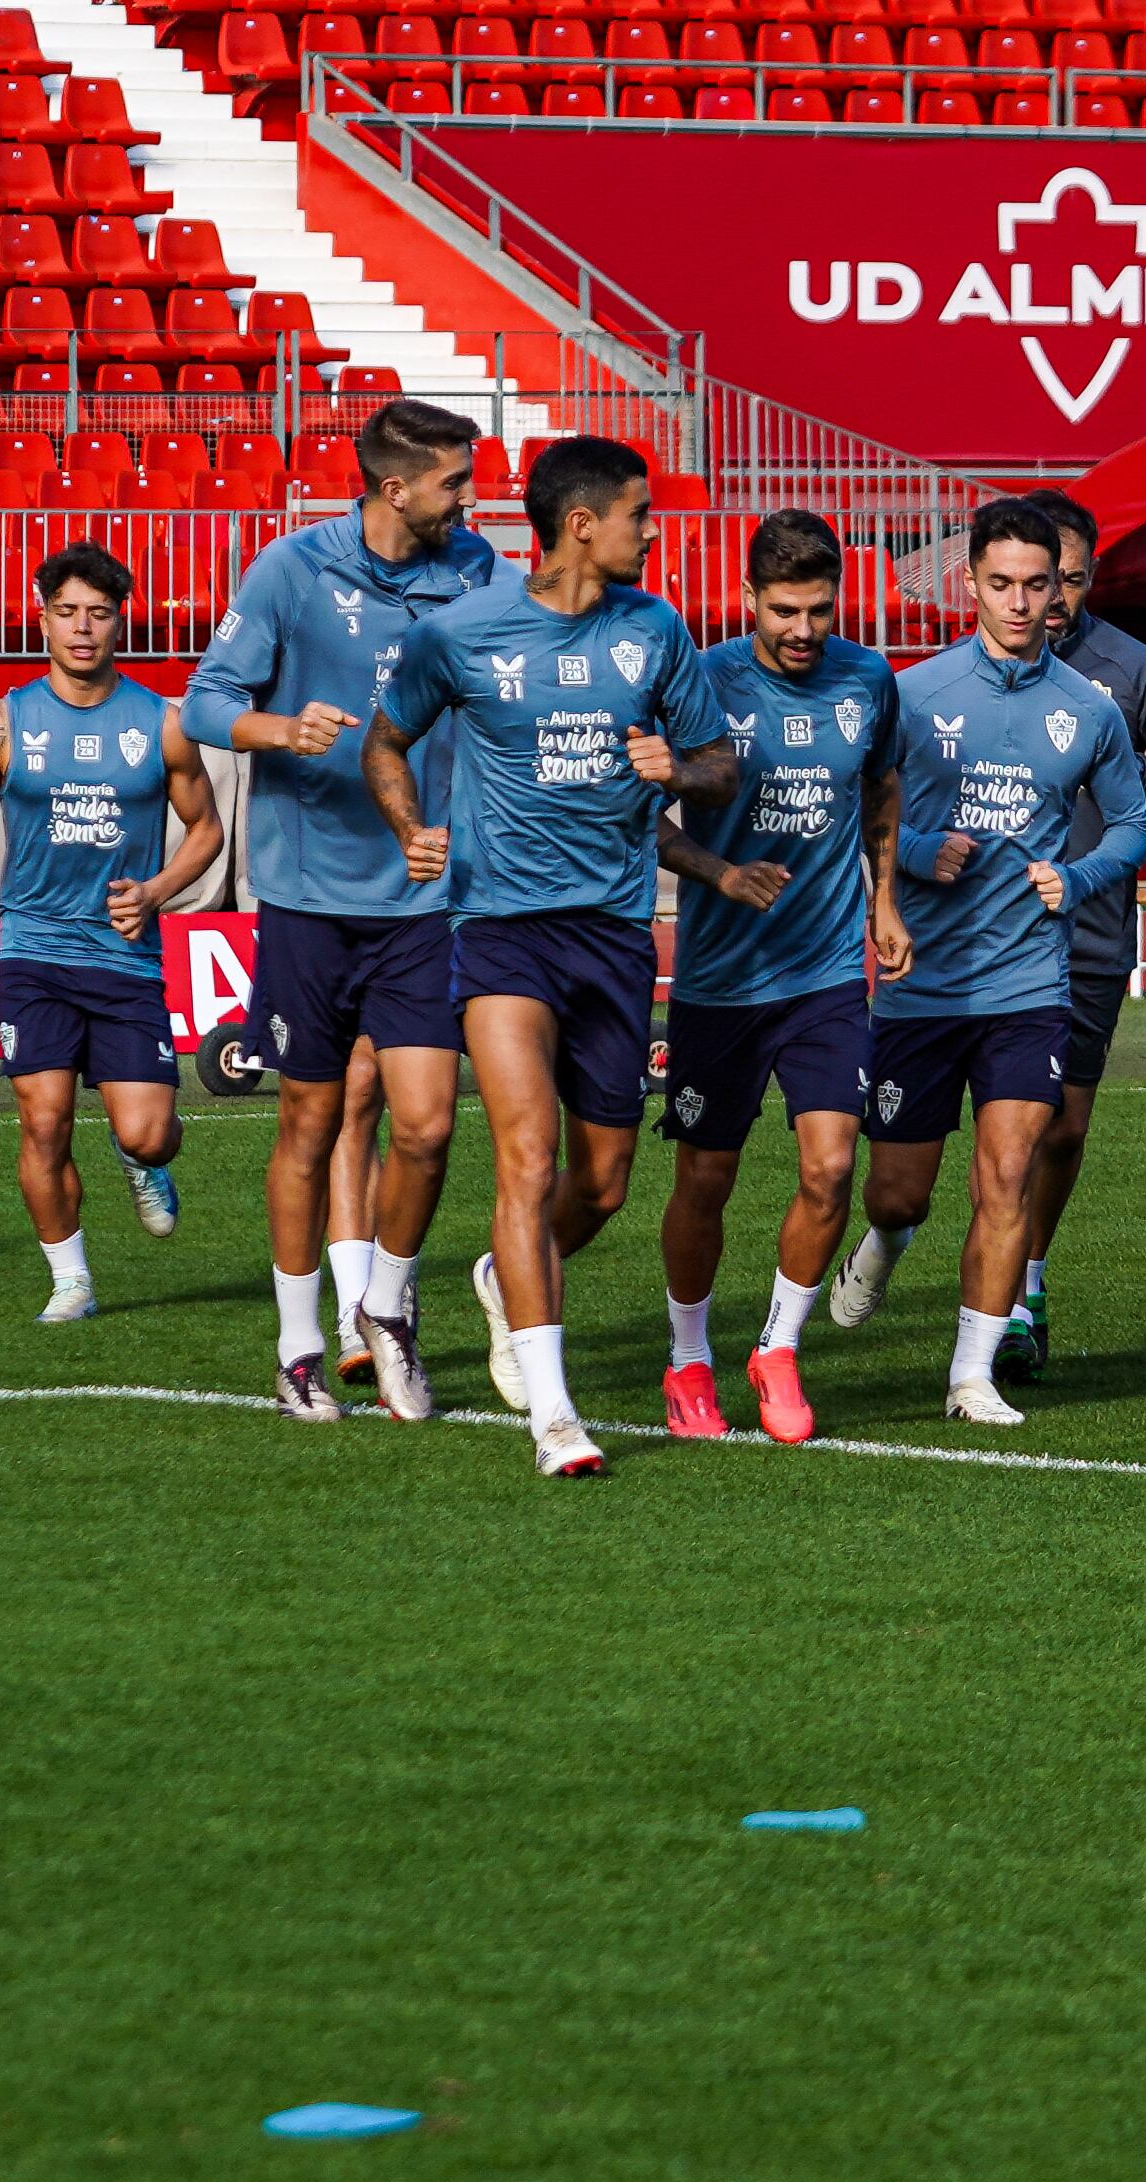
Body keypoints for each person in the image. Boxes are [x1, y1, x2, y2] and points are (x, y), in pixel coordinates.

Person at [365, 435, 735, 1477]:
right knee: (525, 1157)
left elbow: (717, 763)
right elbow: (384, 743)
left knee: (603, 1183)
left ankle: (498, 1276)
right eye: (638, 513)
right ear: (583, 524)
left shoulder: (656, 631)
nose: (652, 531)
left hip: (615, 934)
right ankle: (556, 1416)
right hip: (499, 931)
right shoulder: (463, 634)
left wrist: (682, 766)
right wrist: (409, 828)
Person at [185, 395, 491, 1419]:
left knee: (427, 1124)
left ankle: (390, 1313)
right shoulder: (290, 570)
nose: (470, 496)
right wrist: (277, 730)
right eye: (455, 480)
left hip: (424, 894)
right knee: (310, 1125)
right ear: (395, 487)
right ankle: (299, 1346)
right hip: (311, 900)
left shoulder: (476, 569)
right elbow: (204, 701)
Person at [829, 498, 1146, 1426]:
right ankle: (884, 1244)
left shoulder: (1088, 709)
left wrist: (1080, 876)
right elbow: (859, 801)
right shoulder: (913, 692)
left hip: (1027, 982)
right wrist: (917, 852)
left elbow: (1133, 823)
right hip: (923, 982)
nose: (1018, 602)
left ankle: (972, 1375)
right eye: (1000, 583)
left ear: (1060, 589)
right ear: (969, 582)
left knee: (1008, 1171)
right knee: (898, 1192)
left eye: (1036, 584)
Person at [651, 511, 908, 1444]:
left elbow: (880, 786)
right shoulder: (704, 681)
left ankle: (776, 1348)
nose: (804, 630)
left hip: (828, 968)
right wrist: (720, 874)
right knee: (706, 1180)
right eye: (785, 610)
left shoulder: (868, 678)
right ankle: (687, 1358)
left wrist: (884, 899)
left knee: (832, 1165)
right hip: (721, 977)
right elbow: (644, 814)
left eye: (821, 610)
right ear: (751, 597)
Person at [0, 545, 221, 1327]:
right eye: (67, 612)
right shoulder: (2, 722)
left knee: (151, 1134)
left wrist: (154, 891)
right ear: (42, 615)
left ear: (120, 620)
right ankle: (72, 1280)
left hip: (124, 958)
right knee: (43, 1120)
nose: (83, 629)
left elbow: (205, 831)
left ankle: (140, 1161)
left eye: (99, 613)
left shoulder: (164, 722)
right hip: (34, 949)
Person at [986, 488, 1146, 1385]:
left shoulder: (1126, 667)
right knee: (981, 1136)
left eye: (1069, 581)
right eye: (1036, 583)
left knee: (1062, 1125)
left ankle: (1025, 1287)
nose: (1050, 603)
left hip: (1086, 934)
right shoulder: (960, 676)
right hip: (977, 935)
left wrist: (1131, 760)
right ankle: (934, 1263)